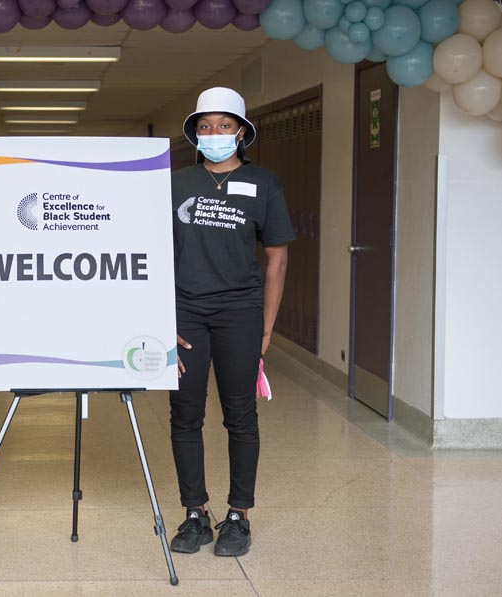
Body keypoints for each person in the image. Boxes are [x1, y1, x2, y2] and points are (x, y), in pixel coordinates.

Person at [169, 87, 295, 557]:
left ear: (241, 133)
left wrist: (265, 327)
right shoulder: (176, 183)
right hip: (185, 313)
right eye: (205, 126)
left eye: (224, 126)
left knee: (240, 415)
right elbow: (154, 256)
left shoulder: (264, 183)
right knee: (186, 413)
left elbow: (276, 261)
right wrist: (162, 318)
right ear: (195, 134)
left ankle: (239, 515)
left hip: (240, 312)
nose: (215, 134)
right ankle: (195, 513)